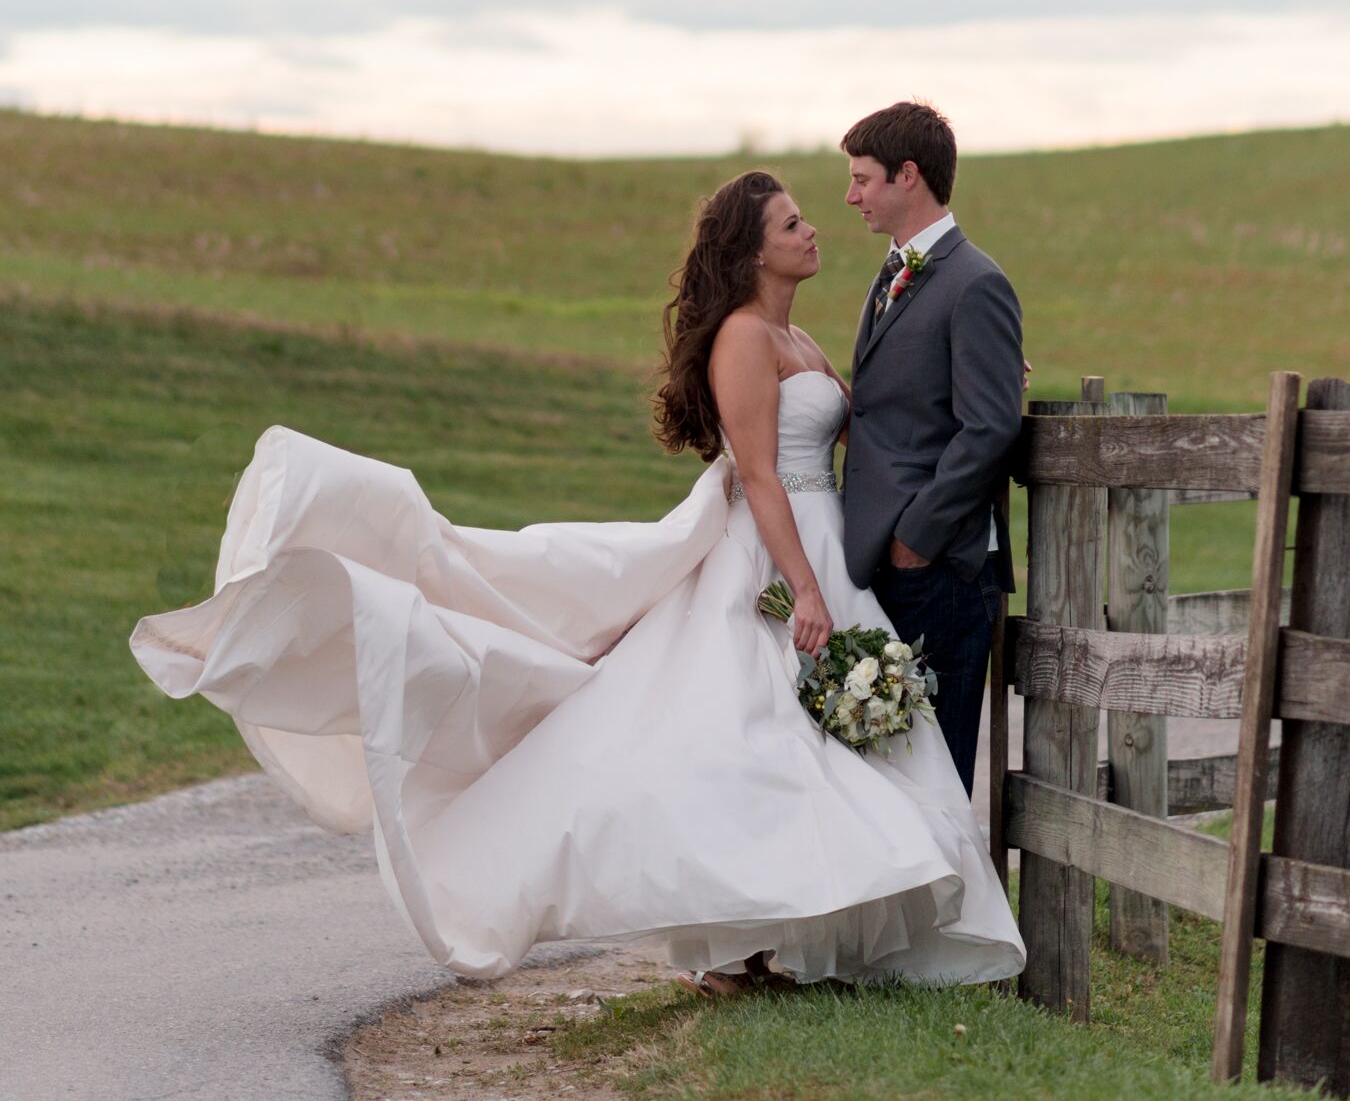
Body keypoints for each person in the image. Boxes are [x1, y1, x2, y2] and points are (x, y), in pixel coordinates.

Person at [130, 170, 1023, 993]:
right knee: (743, 740)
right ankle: (730, 940)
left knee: (801, 742)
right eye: (793, 223)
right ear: (753, 251)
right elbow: (758, 474)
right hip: (773, 554)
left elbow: (862, 434)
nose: (814, 228)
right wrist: (807, 589)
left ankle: (791, 936)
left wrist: (986, 380)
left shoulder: (800, 335)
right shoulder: (744, 340)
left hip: (824, 538)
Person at [839, 102, 1025, 794]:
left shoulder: (976, 283)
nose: (851, 196)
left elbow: (989, 429)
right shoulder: (893, 275)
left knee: (936, 779)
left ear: (907, 175)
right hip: (890, 565)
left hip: (939, 571)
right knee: (894, 777)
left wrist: (915, 537)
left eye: (863, 179)